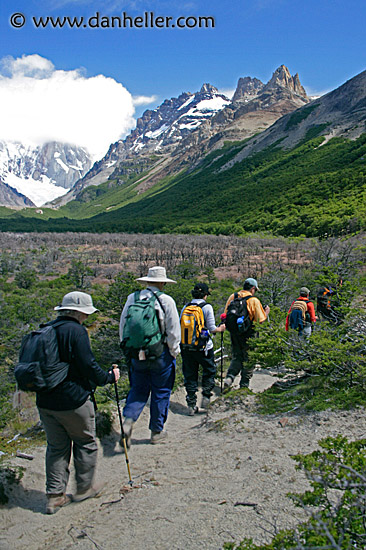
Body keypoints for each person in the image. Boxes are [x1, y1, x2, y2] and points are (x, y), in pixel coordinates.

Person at [37, 291, 120, 515]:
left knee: (56, 447)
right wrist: (109, 377)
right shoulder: (77, 332)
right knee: (85, 442)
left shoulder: (47, 329)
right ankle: (84, 488)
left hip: (45, 400)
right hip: (73, 399)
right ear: (80, 312)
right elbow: (88, 365)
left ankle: (55, 496)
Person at [119, 266, 180, 446]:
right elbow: (173, 332)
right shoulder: (166, 301)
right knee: (161, 391)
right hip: (160, 354)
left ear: (146, 281)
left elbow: (123, 326)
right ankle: (156, 431)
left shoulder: (133, 298)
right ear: (162, 282)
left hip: (136, 354)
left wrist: (128, 349)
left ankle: (128, 420)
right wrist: (174, 352)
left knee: (138, 389)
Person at [180, 283, 225, 415]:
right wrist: (221, 328)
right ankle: (206, 396)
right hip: (204, 347)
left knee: (190, 374)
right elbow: (212, 328)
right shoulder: (207, 307)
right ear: (205, 295)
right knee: (209, 370)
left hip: (187, 347)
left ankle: (191, 404)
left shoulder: (186, 307)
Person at [223, 278, 270, 390]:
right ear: (253, 288)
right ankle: (244, 385)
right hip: (249, 334)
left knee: (237, 356)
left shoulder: (233, 297)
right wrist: (266, 312)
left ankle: (229, 377)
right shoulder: (254, 300)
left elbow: (225, 315)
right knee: (249, 358)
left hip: (234, 333)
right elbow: (260, 320)